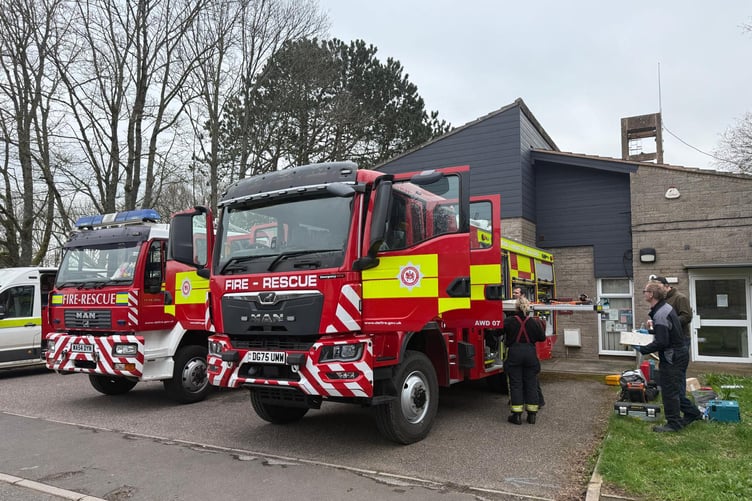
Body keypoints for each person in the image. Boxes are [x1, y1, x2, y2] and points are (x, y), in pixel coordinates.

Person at [637, 281, 702, 432]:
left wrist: (643, 349)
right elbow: (667, 331)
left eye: (645, 291)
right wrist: (650, 332)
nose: (644, 293)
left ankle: (673, 423)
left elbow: (662, 341)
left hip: (672, 356)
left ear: (651, 294)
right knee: (675, 389)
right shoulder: (665, 308)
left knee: (669, 391)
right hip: (678, 353)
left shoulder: (660, 313)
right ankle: (693, 413)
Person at [503, 296, 546, 425]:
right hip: (530, 355)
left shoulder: (509, 321)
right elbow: (542, 338)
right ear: (528, 308)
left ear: (516, 308)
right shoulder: (534, 322)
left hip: (514, 354)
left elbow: (497, 332)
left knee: (516, 384)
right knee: (531, 383)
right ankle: (532, 415)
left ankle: (516, 416)